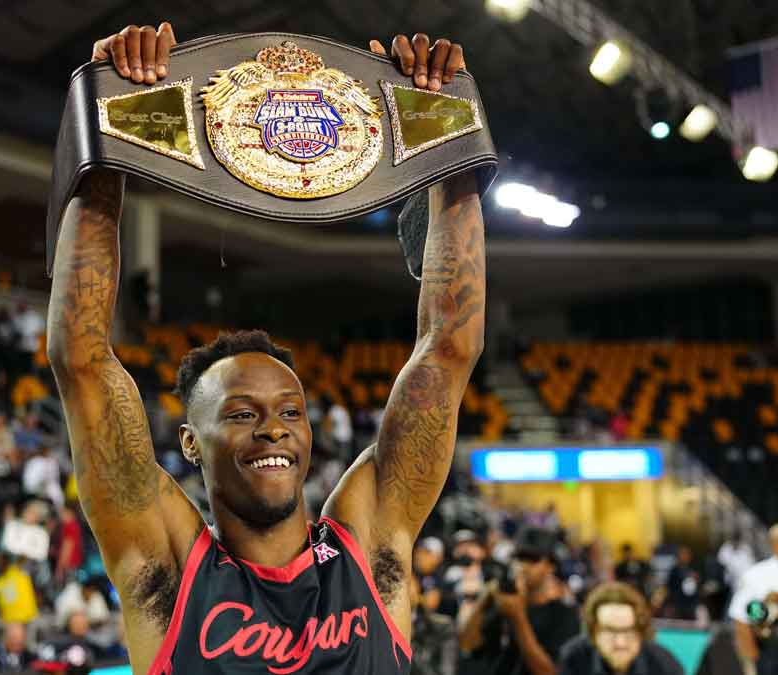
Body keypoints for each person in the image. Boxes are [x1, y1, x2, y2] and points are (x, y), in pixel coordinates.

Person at [48, 22, 481, 675]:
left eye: (289, 410)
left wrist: (443, 131)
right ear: (191, 441)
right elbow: (82, 359)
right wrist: (110, 123)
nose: (273, 427)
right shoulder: (166, 569)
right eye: (242, 413)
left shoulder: (370, 546)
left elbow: (447, 350)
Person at [457, 527, 581, 675]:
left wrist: (518, 617)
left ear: (550, 566)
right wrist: (486, 596)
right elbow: (467, 643)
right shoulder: (503, 601)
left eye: (533, 559)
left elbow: (550, 671)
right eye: (519, 557)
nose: (524, 565)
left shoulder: (564, 614)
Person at [728, 523, 778, 669]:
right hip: (772, 655)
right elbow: (741, 622)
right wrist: (754, 663)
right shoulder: (757, 575)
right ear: (777, 544)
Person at [558, 581, 683, 674]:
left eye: (629, 631)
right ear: (593, 632)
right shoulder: (574, 659)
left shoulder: (664, 665)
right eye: (610, 631)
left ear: (641, 632)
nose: (620, 642)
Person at [410, 574, 458, 675]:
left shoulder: (442, 626)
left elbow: (447, 670)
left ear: (417, 589)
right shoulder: (377, 628)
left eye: (408, 583)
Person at [661, 547, 702, 622]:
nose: (684, 557)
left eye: (686, 554)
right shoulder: (674, 571)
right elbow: (668, 588)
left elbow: (698, 589)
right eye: (682, 554)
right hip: (677, 605)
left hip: (691, 605)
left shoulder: (694, 570)